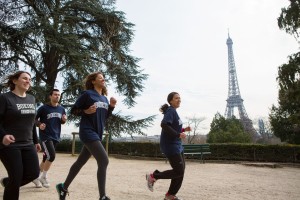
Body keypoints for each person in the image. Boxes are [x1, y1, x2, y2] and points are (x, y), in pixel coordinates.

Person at [56, 72, 117, 200]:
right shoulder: (87, 94)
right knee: (104, 160)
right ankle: (102, 196)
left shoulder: (104, 98)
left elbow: (104, 117)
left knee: (80, 162)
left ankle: (63, 187)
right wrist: (86, 111)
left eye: (103, 78)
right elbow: (74, 110)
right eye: (100, 78)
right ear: (93, 81)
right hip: (87, 131)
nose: (103, 79)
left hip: (97, 133)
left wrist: (111, 107)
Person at [0, 71, 41, 200]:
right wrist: (3, 136)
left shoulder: (31, 98)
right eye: (24, 78)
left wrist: (36, 141)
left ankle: (9, 183)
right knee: (16, 176)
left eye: (29, 79)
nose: (28, 81)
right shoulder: (5, 98)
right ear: (15, 81)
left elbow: (32, 122)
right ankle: (12, 183)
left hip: (28, 143)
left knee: (34, 173)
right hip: (10, 145)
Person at [146, 92, 191, 200]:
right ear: (170, 101)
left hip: (177, 145)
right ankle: (153, 176)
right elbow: (164, 124)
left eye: (180, 98)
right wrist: (178, 134)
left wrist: (184, 130)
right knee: (179, 171)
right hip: (170, 145)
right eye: (176, 98)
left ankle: (170, 195)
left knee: (181, 171)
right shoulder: (171, 110)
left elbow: (174, 128)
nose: (179, 100)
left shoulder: (174, 112)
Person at [32, 89, 67, 188]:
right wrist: (39, 124)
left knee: (45, 158)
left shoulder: (62, 109)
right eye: (55, 94)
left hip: (56, 136)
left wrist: (63, 120)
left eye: (59, 95)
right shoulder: (44, 108)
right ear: (50, 96)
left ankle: (36, 177)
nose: (57, 96)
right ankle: (44, 176)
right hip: (46, 136)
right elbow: (34, 120)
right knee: (51, 156)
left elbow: (62, 121)